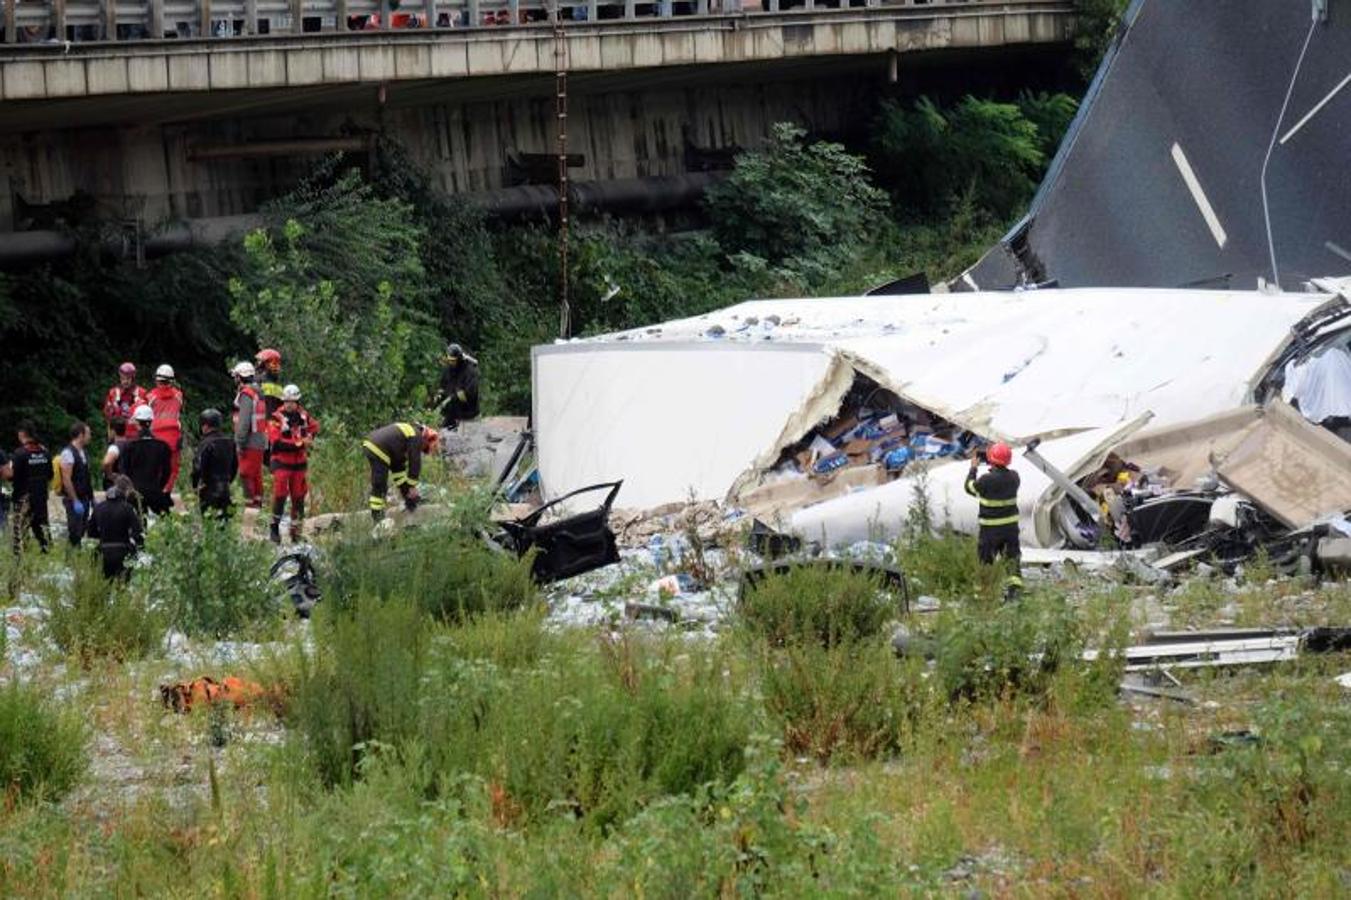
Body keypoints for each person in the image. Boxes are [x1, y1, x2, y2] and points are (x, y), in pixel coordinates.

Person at [965, 442, 1023, 600]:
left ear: (991, 459)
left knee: (986, 561)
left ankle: (984, 596)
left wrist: (973, 468)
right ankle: (1015, 592)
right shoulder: (1015, 477)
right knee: (1012, 560)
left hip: (990, 531)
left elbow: (969, 487)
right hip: (1010, 530)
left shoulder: (986, 480)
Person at [267, 384, 319, 543]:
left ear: (297, 402)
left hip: (299, 463)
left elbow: (315, 427)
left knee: (298, 497)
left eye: (292, 401)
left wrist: (309, 438)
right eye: (286, 401)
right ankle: (274, 528)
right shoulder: (276, 418)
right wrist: (301, 444)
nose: (289, 404)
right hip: (281, 462)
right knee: (280, 495)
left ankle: (296, 532)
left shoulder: (304, 415)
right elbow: (276, 442)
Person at [362, 422, 438, 522]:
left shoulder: (401, 441)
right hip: (379, 447)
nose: (421, 450)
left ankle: (379, 516)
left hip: (375, 444)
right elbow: (415, 462)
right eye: (424, 448)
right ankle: (377, 518)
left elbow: (399, 475)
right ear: (426, 438)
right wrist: (412, 487)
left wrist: (408, 495)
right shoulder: (416, 435)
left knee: (382, 483)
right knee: (380, 485)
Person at [118, 405, 173, 515]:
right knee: (166, 519)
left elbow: (124, 472)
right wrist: (158, 486)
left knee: (136, 522)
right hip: (155, 491)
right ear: (151, 421)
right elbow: (167, 472)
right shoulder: (162, 446)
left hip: (135, 493)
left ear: (136, 423)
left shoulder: (129, 447)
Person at [87, 475, 143, 580]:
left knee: (104, 585)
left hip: (103, 551)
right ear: (124, 494)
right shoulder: (128, 508)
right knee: (123, 585)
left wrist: (104, 535)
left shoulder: (98, 508)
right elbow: (138, 532)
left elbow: (90, 532)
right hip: (123, 551)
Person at [11, 423, 53, 554]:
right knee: (42, 527)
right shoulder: (45, 452)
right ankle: (47, 551)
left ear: (22, 434)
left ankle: (20, 556)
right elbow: (50, 475)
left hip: (23, 497)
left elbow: (12, 475)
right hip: (40, 496)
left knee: (20, 530)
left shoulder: (20, 453)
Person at [230, 361, 268, 508]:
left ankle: (250, 509)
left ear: (240, 377)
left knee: (246, 474)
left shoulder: (246, 394)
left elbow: (244, 421)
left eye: (236, 376)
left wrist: (239, 442)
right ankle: (257, 506)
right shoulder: (258, 392)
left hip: (249, 441)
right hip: (259, 439)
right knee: (256, 474)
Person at [192, 408, 238, 517]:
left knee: (209, 522)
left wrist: (195, 484)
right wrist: (228, 481)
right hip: (225, 489)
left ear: (205, 426)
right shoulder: (230, 443)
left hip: (208, 490)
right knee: (224, 521)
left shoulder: (205, 443)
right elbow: (235, 466)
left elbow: (198, 467)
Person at [146, 363, 185, 493]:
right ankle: (167, 491)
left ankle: (155, 491)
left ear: (157, 379)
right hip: (174, 436)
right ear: (171, 380)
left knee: (155, 466)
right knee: (173, 467)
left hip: (155, 436)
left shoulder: (150, 396)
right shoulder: (179, 395)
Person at [58, 421, 95, 548]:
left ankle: (77, 554)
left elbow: (87, 477)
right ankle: (72, 556)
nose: (90, 436)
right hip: (74, 499)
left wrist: (92, 498)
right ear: (80, 435)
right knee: (74, 532)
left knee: (82, 530)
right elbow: (66, 479)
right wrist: (75, 500)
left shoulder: (84, 452)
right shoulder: (68, 453)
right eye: (88, 434)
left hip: (85, 497)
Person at [436, 343, 480, 429]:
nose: (451, 363)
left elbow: (470, 394)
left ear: (459, 359)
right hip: (452, 412)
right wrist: (439, 396)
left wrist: (452, 397)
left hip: (468, 414)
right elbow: (443, 386)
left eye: (453, 360)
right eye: (449, 360)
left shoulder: (469, 371)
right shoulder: (448, 369)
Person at [102, 362, 148, 441]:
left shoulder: (142, 393)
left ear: (133, 378)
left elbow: (147, 417)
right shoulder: (113, 393)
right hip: (118, 436)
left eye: (128, 378)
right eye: (123, 378)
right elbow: (107, 415)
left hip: (136, 436)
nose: (125, 381)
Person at [101, 416, 133, 491]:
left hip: (115, 487)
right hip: (128, 484)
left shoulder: (114, 447)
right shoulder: (131, 445)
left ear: (113, 431)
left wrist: (110, 475)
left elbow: (106, 462)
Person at [255, 349, 285, 419]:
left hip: (263, 421)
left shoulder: (257, 381)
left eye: (277, 363)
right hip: (270, 421)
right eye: (275, 363)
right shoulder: (276, 385)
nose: (277, 366)